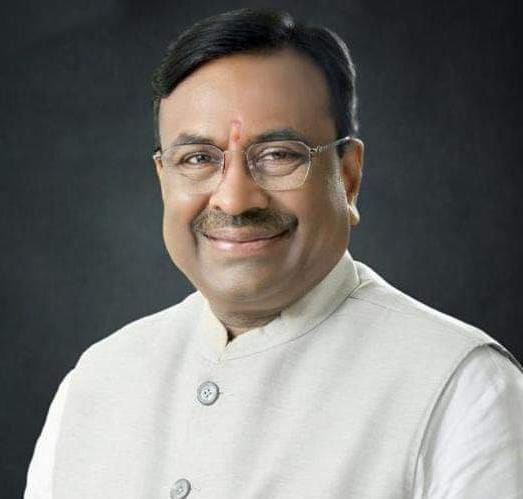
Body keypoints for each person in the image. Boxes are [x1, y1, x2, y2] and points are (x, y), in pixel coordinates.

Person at [24, 7, 523, 499]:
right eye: (197, 159)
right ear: (163, 179)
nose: (235, 200)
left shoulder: (462, 388)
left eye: (279, 155)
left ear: (348, 177)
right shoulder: (96, 382)